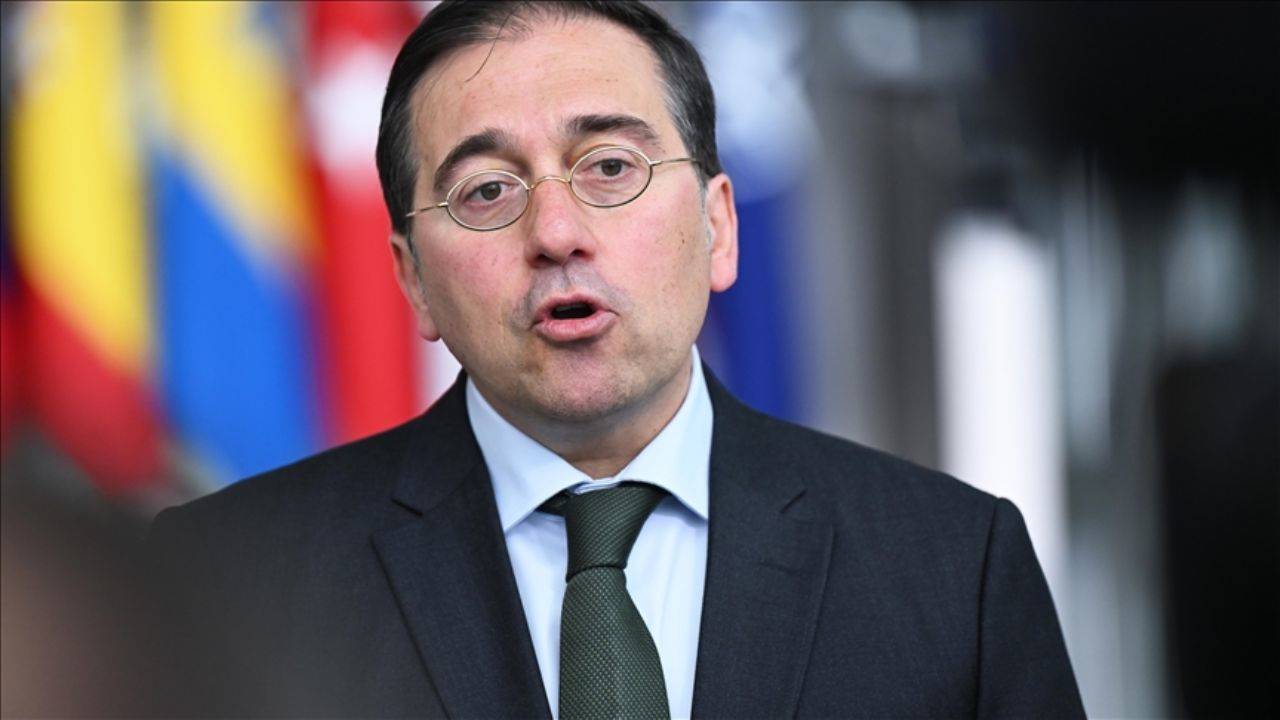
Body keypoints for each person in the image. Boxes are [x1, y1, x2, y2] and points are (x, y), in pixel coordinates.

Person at [149, 2, 1085, 717]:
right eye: (487, 190)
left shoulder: (952, 567)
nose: (556, 232)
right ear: (414, 281)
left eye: (609, 168)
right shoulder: (222, 583)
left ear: (719, 227)